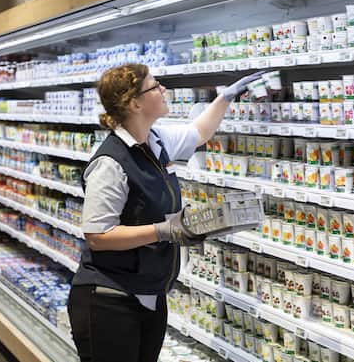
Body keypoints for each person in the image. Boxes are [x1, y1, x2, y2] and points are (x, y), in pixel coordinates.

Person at [67, 63, 264, 362]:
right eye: (155, 86)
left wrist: (226, 96)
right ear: (135, 103)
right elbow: (98, 236)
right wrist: (164, 230)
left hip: (151, 294)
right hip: (109, 299)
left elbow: (199, 131)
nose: (164, 89)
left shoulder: (156, 141)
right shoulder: (111, 163)